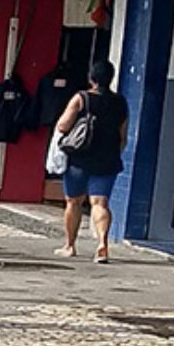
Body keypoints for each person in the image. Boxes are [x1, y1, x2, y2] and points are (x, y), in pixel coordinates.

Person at [55, 59, 129, 263]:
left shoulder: (82, 98)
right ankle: (102, 244)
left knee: (73, 201)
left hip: (79, 159)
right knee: (100, 203)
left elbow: (63, 125)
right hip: (107, 160)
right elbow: (123, 137)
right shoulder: (120, 102)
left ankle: (70, 245)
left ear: (92, 78)